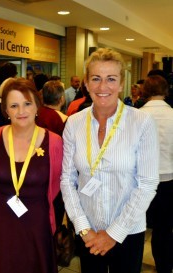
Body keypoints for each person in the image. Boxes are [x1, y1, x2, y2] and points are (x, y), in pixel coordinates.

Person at [60, 48, 159, 273]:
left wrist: (113, 234)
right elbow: (67, 179)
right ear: (86, 82)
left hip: (128, 232)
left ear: (122, 83)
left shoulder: (141, 123)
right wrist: (84, 229)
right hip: (88, 232)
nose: (103, 87)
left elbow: (147, 184)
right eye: (96, 78)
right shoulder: (74, 123)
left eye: (111, 79)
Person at [0, 77, 63, 273]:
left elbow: (55, 184)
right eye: (14, 105)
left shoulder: (54, 141)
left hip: (35, 223)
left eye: (27, 104)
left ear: (37, 106)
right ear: (6, 110)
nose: (21, 111)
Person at [140, 75, 173, 273]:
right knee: (164, 228)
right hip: (169, 180)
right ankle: (164, 267)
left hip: (142, 180)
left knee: (138, 227)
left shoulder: (136, 115)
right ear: (166, 91)